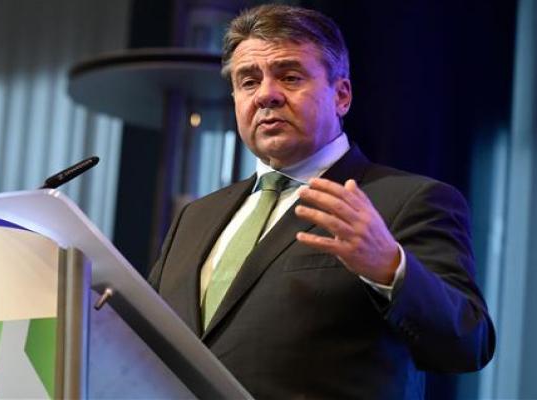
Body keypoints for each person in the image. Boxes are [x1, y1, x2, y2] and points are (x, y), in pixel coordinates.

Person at [147, 4, 495, 399]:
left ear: (341, 95)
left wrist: (390, 268)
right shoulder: (195, 217)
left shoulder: (407, 201)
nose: (266, 95)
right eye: (248, 81)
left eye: (290, 77)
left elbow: (468, 343)